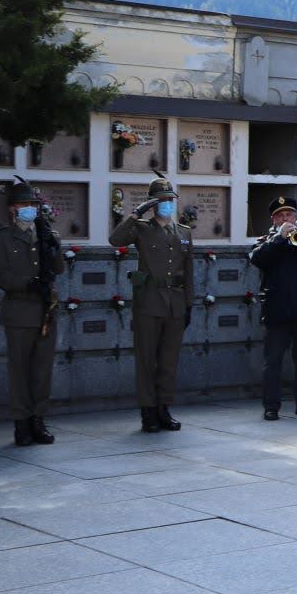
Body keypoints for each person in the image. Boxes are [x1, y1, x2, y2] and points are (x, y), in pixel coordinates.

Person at [109, 177, 191, 432]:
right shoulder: (142, 228)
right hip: (149, 302)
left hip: (175, 303)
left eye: (170, 200)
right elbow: (115, 239)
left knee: (168, 360)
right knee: (146, 360)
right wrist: (136, 213)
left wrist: (189, 304)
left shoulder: (184, 232)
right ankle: (148, 412)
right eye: (161, 200)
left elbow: (188, 271)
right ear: (153, 204)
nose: (167, 204)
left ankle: (164, 408)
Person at [0, 179, 61, 446]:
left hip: (45, 312)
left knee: (42, 370)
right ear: (12, 208)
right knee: (19, 371)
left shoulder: (47, 234)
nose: (30, 208)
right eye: (24, 204)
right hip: (19, 310)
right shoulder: (2, 237)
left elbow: (59, 269)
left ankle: (38, 420)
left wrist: (52, 245)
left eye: (33, 204)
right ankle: (21, 423)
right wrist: (28, 283)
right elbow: (0, 276)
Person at [249, 197, 297, 421]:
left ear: (295, 217)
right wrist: (279, 238)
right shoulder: (267, 241)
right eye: (281, 216)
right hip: (277, 310)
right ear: (273, 219)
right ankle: (271, 406)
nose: (286, 219)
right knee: (273, 361)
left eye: (289, 215)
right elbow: (257, 258)